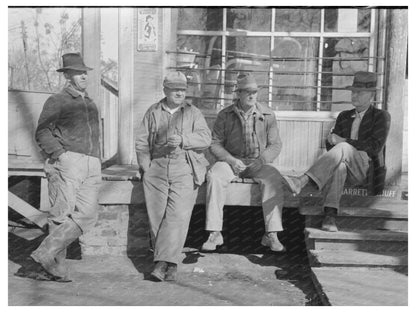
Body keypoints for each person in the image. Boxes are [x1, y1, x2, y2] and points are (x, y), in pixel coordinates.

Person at [16, 53, 101, 282]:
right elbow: (42, 131)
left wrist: (96, 160)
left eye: (85, 72)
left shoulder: (90, 102)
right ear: (68, 76)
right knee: (60, 215)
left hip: (92, 163)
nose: (83, 75)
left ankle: (43, 254)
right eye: (78, 72)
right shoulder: (57, 100)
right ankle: (53, 269)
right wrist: (61, 155)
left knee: (88, 215)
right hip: (68, 162)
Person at [284, 71, 391, 232]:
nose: (354, 96)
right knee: (339, 166)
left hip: (365, 169)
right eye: (353, 92)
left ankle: (303, 181)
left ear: (371, 95)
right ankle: (330, 216)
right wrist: (330, 140)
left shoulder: (381, 116)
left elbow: (374, 148)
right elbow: (332, 150)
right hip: (345, 168)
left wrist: (342, 141)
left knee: (344, 147)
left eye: (359, 92)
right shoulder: (344, 116)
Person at [135, 71, 211, 282]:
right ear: (165, 90)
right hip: (156, 168)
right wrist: (145, 166)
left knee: (177, 215)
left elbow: (206, 138)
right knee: (157, 217)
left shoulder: (193, 113)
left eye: (183, 89)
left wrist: (184, 139)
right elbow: (141, 142)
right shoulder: (153, 111)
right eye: (175, 89)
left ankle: (162, 263)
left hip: (185, 166)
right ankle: (170, 264)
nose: (179, 93)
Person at [201, 73, 286, 253]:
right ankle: (215, 232)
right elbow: (214, 143)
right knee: (214, 176)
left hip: (258, 162)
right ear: (238, 93)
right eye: (247, 92)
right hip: (232, 161)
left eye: (254, 91)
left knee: (274, 178)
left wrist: (262, 161)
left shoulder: (267, 114)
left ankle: (271, 234)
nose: (252, 95)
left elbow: (276, 145)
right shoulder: (225, 115)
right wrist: (231, 160)